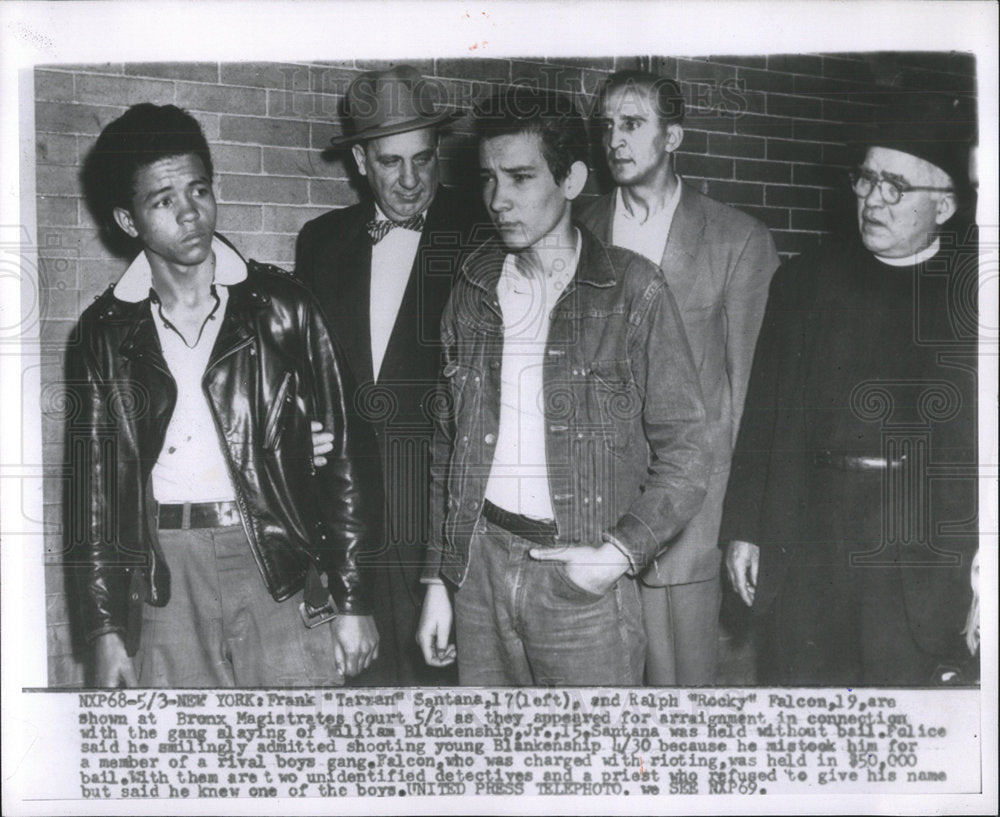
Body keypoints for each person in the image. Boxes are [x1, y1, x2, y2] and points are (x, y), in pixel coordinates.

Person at [66, 103, 381, 687]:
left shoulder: (282, 306)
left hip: (275, 555)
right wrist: (105, 631)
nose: (190, 214)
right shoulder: (102, 334)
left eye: (199, 190)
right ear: (128, 220)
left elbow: (345, 458)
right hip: (164, 572)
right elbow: (93, 497)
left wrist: (354, 598)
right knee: (184, 766)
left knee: (300, 759)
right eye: (163, 201)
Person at [416, 86, 710, 686]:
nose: (498, 199)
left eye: (520, 177)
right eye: (488, 178)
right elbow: (446, 449)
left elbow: (688, 450)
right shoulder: (471, 289)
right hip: (478, 571)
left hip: (577, 579)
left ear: (572, 180)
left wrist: (617, 555)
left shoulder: (634, 292)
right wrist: (438, 580)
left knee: (590, 771)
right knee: (490, 768)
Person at [720, 90, 978, 686]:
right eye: (865, 181)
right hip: (807, 541)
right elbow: (765, 416)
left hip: (918, 556)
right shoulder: (805, 279)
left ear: (943, 205)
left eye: (894, 187)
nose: (872, 200)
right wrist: (745, 528)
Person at [577, 71, 779, 685]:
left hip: (690, 524)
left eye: (633, 124)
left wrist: (748, 523)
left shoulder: (737, 239)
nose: (615, 139)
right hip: (591, 516)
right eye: (607, 126)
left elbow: (752, 397)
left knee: (682, 700)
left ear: (674, 136)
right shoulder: (575, 230)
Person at [296, 66, 481, 685]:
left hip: (440, 517)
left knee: (444, 703)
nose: (409, 181)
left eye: (424, 161)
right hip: (350, 521)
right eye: (389, 162)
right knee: (362, 701)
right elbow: (305, 367)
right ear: (357, 161)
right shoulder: (319, 242)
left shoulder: (485, 229)